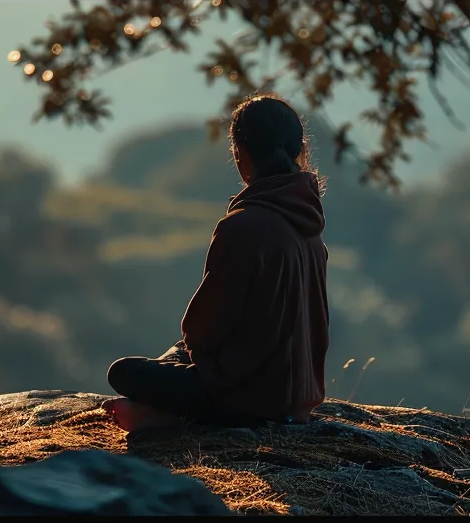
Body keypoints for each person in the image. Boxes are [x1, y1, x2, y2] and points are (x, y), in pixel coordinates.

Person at [102, 93, 331, 432]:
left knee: (123, 372)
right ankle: (162, 412)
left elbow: (200, 331)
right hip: (298, 400)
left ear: (241, 154)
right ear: (298, 150)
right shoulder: (311, 230)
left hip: (248, 399)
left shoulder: (242, 226)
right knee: (178, 355)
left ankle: (162, 417)